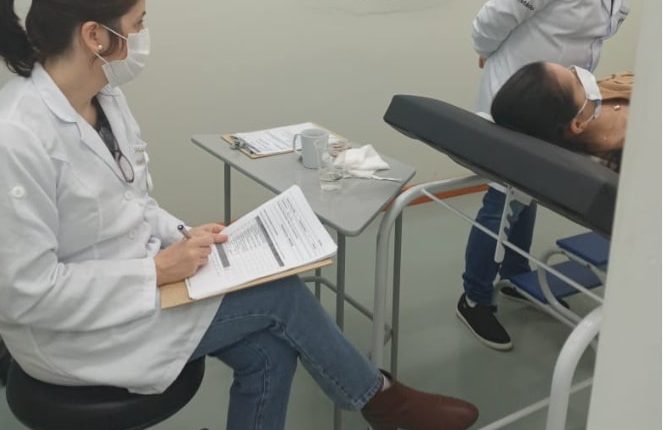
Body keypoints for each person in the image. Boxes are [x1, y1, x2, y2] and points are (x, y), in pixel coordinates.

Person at [0, 1, 479, 429]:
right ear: (95, 36)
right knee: (280, 296)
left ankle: (382, 401)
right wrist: (155, 271)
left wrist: (186, 235)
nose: (143, 37)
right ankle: (381, 400)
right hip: (74, 336)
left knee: (268, 351)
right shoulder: (17, 135)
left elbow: (134, 202)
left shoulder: (104, 98)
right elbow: (28, 294)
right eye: (138, 23)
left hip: (135, 290)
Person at [457, 0, 629, 351]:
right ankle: (474, 298)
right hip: (523, 94)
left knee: (530, 190)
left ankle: (516, 275)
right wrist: (485, 49)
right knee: (503, 199)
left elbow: (608, 22)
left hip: (565, 103)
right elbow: (495, 16)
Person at [491, 61, 632, 171]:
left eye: (572, 70)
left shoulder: (603, 89)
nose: (581, 76)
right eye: (577, 82)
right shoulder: (629, 160)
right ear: (578, 124)